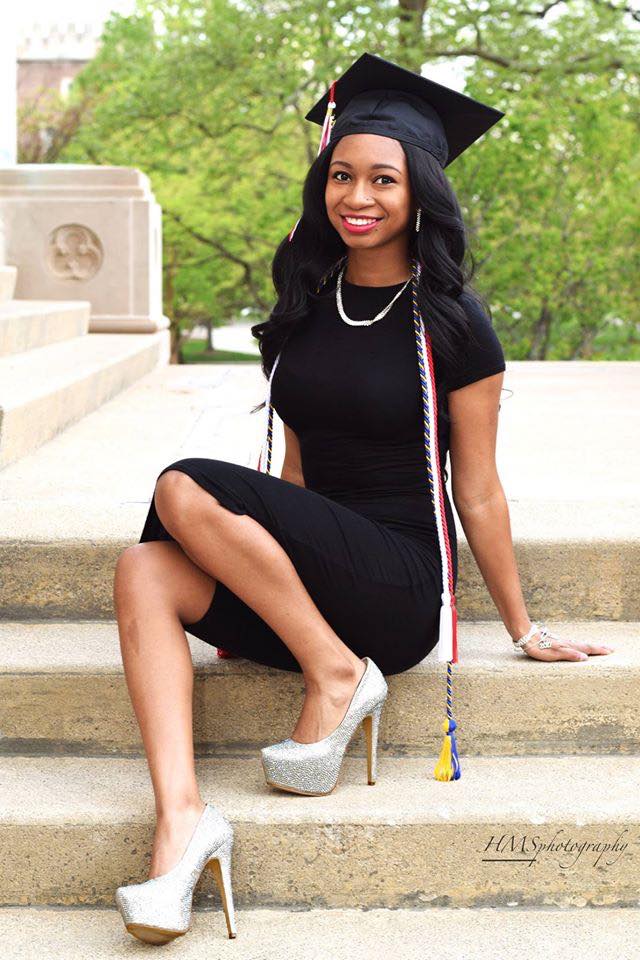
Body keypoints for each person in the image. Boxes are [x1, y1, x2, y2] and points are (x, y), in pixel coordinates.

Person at [113, 52, 614, 944]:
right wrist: (250, 574)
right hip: (314, 586)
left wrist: (523, 626)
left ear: (419, 194)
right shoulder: (304, 304)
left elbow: (478, 490)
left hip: (396, 583)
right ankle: (182, 823)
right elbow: (298, 475)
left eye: (384, 178)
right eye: (342, 174)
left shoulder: (453, 320)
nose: (358, 195)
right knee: (144, 567)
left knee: (180, 485)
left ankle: (340, 676)